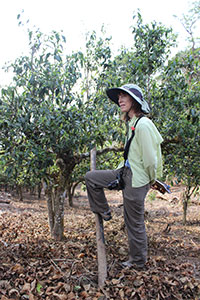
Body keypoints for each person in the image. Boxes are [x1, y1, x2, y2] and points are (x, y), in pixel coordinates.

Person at [85, 84, 163, 269]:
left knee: (134, 223)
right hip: (125, 173)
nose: (120, 100)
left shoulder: (143, 125)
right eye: (119, 97)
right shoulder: (132, 123)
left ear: (135, 100)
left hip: (137, 180)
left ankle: (138, 262)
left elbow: (151, 160)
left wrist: (152, 180)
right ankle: (104, 211)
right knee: (91, 178)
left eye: (124, 96)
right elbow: (132, 155)